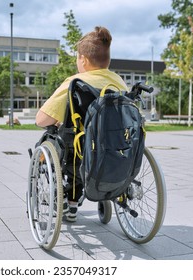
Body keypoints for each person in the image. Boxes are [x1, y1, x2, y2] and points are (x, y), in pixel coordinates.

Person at [35, 26, 128, 222]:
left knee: (49, 141)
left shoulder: (76, 83)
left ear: (83, 60)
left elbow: (41, 120)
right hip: (114, 148)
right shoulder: (119, 82)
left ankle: (67, 200)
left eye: (77, 58)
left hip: (79, 152)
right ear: (108, 59)